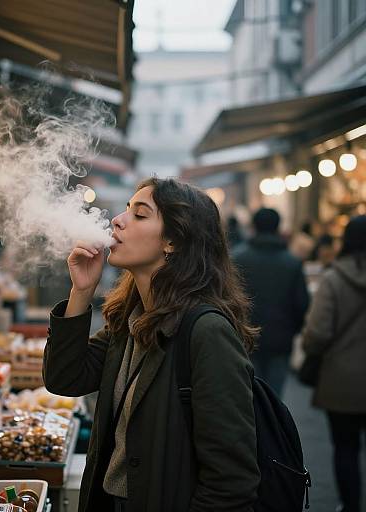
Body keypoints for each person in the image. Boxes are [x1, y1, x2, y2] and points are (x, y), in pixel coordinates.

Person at [43, 177, 260, 512]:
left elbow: (231, 480)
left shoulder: (207, 332)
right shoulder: (132, 320)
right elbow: (65, 377)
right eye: (127, 209)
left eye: (140, 215)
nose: (117, 220)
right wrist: (82, 291)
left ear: (172, 240)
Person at [302, 215, 366, 512]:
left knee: (345, 447)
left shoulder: (334, 279)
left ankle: (350, 505)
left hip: (342, 379)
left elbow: (317, 332)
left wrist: (310, 349)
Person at [233, 208, 309, 396]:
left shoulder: (237, 258)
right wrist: (293, 329)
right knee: (275, 398)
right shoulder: (292, 262)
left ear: (254, 226)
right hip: (281, 338)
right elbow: (301, 304)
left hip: (245, 338)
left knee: (248, 397)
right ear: (278, 227)